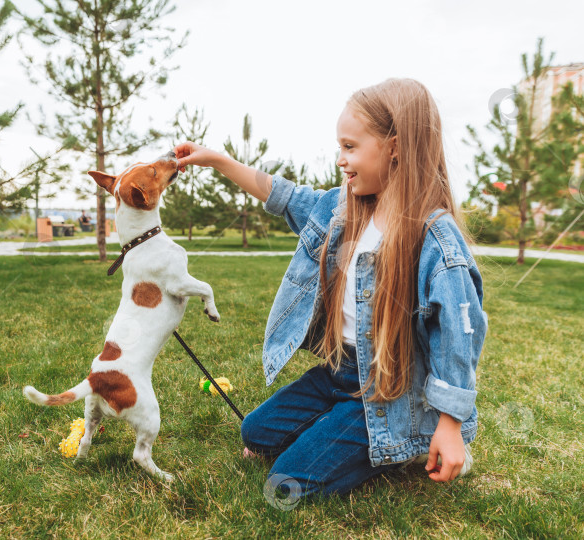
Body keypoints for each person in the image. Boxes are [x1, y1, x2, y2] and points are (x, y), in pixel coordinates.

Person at [173, 78, 488, 498]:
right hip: (340, 374)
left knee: (286, 482)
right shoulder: (344, 209)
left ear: (394, 147)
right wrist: (218, 161)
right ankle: (349, 426)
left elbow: (459, 335)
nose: (340, 159)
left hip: (389, 390)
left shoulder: (434, 239)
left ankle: (402, 439)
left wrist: (450, 425)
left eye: (350, 147)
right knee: (256, 432)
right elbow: (283, 195)